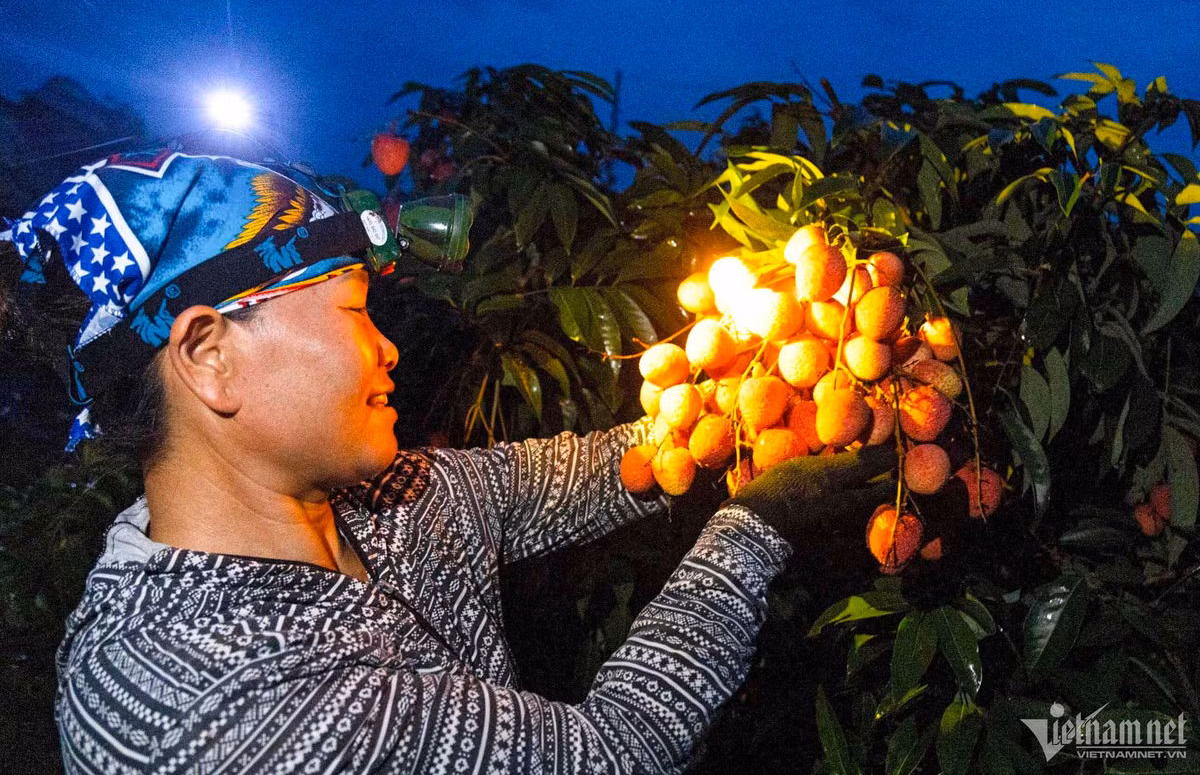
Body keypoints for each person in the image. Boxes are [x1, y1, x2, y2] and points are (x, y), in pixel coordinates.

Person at [1, 146, 894, 774]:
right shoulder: (196, 703)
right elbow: (610, 751)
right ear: (210, 357)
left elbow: (548, 483)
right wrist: (757, 525)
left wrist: (734, 399)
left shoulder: (377, 501)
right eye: (354, 311)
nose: (389, 350)